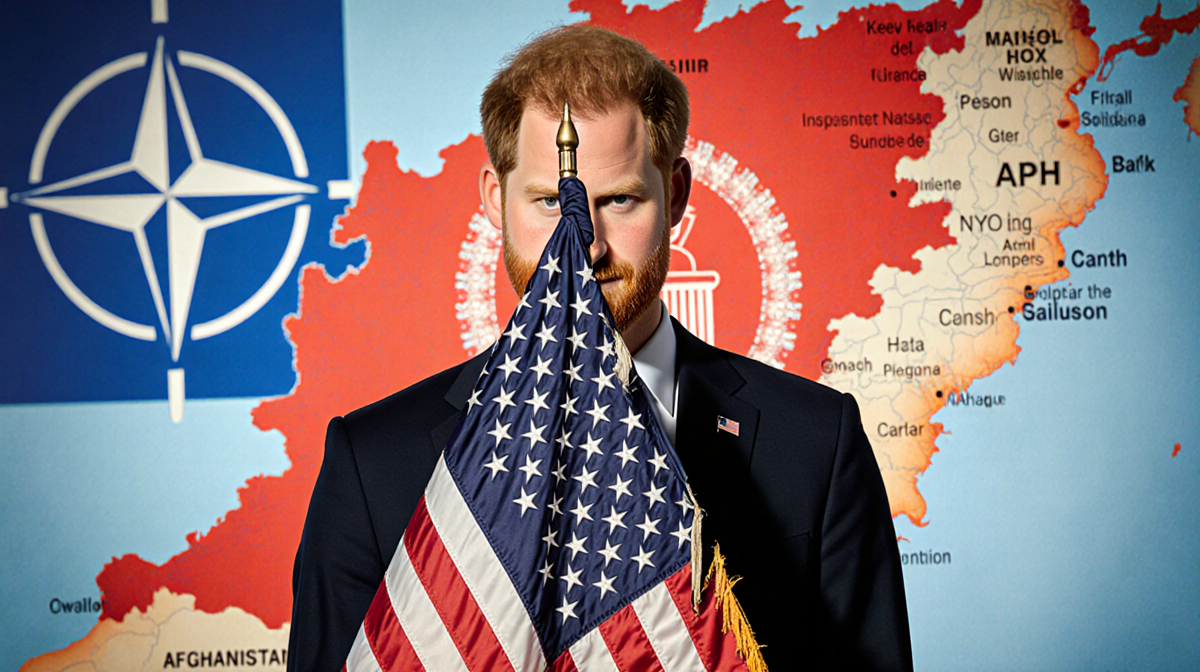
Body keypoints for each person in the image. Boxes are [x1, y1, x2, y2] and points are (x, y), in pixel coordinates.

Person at [289, 25, 911, 671]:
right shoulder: (373, 463)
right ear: (493, 199)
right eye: (548, 202)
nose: (584, 245)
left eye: (618, 199)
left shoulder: (815, 441)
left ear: (676, 195)